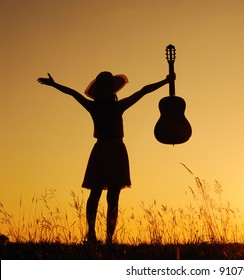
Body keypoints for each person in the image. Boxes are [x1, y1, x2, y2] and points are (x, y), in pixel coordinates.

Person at [37, 71, 174, 244]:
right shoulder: (116, 107)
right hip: (114, 149)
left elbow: (73, 94)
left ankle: (97, 235)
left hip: (103, 149)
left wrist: (54, 84)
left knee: (99, 194)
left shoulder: (95, 107)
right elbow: (143, 91)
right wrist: (165, 81)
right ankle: (102, 237)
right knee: (110, 196)